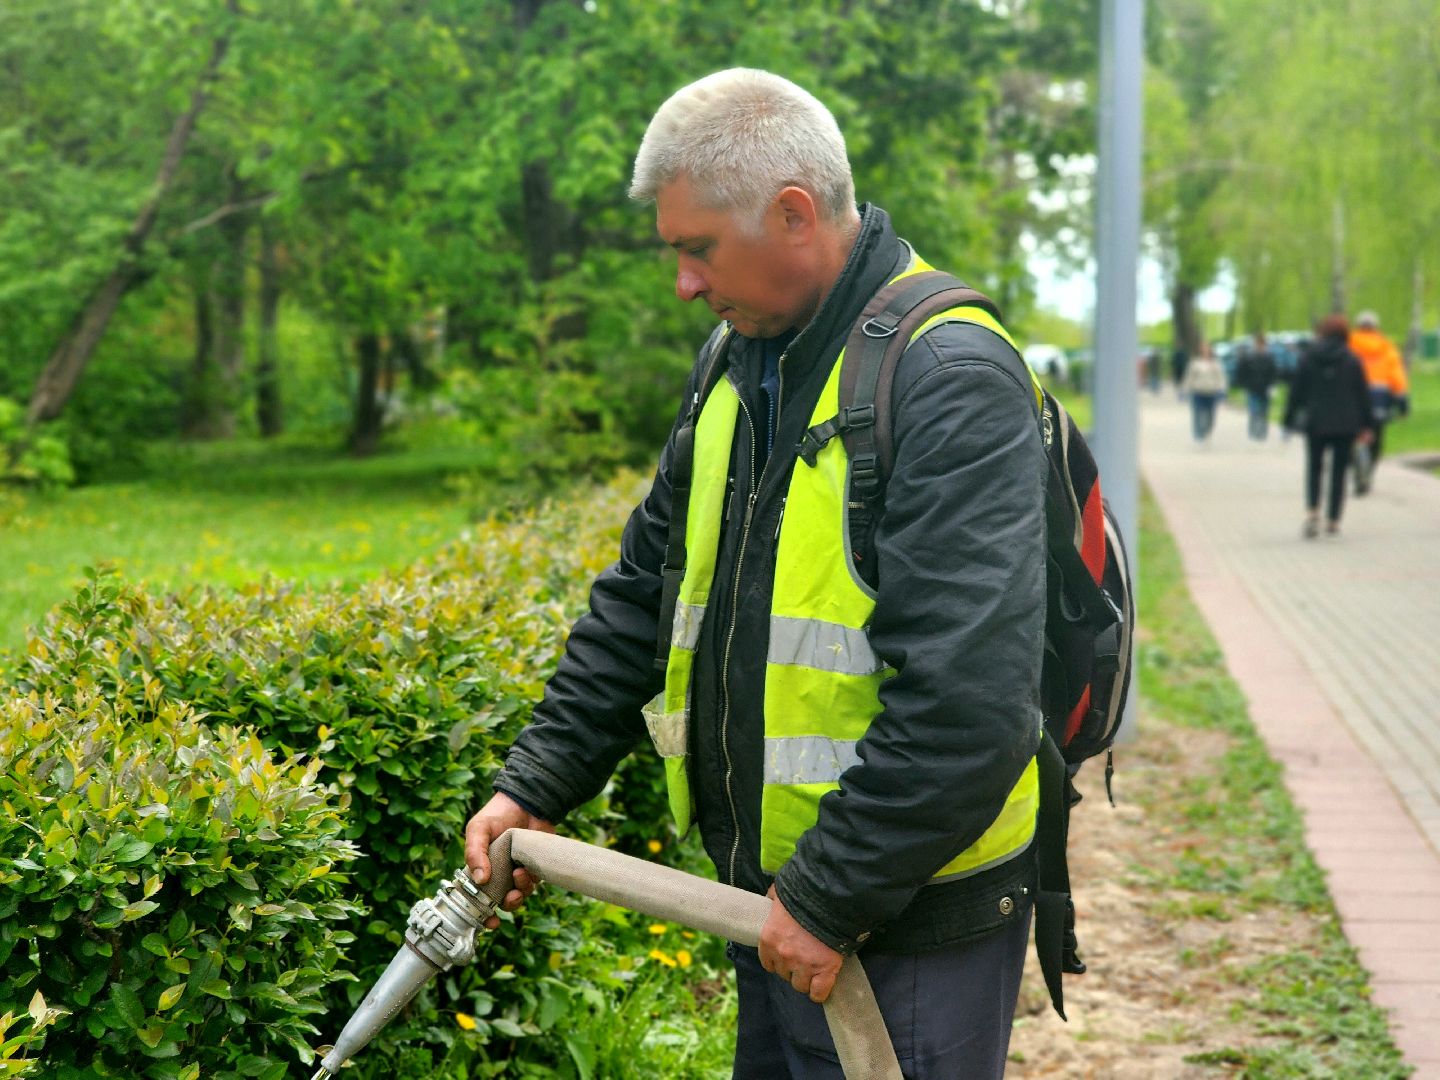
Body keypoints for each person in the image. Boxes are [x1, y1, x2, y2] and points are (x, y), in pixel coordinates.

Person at [463, 69, 1045, 1079]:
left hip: (904, 931)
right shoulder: (743, 358)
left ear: (792, 214)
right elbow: (643, 592)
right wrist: (537, 785)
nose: (684, 282)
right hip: (779, 909)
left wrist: (828, 896)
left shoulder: (950, 379)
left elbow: (970, 703)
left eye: (697, 248)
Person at [1283, 314, 1374, 538]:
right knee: (1339, 471)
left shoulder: (1308, 358)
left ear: (1322, 333)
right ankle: (1333, 519)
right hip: (1346, 424)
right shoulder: (1353, 360)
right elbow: (1362, 395)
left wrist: (1288, 418)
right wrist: (1367, 425)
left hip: (1316, 422)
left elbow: (1297, 392)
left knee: (1314, 467)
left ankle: (1313, 512)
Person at [1348, 310, 1409, 493]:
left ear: (1358, 326)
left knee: (1351, 435)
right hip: (1379, 399)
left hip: (1353, 399)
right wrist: (1402, 402)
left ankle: (1356, 464)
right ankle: (1369, 470)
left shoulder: (1349, 345)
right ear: (1376, 327)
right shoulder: (1387, 347)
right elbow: (1396, 377)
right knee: (1376, 437)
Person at [1234, 332, 1279, 441]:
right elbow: (1242, 372)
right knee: (1254, 410)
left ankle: (1262, 432)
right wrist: (1243, 385)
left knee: (1264, 411)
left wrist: (1273, 386)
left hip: (1265, 388)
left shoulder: (1269, 357)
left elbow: (1274, 373)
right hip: (1252, 388)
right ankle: (1254, 431)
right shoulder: (1249, 357)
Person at [1182, 340, 1227, 442]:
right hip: (1198, 392)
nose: (1205, 350)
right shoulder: (1194, 363)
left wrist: (1222, 390)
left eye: (1207, 348)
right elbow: (1189, 377)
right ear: (1200, 350)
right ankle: (1198, 433)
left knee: (1210, 415)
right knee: (1198, 413)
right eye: (1203, 348)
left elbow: (1221, 378)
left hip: (1211, 392)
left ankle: (1208, 430)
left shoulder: (1215, 363)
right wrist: (1185, 390)